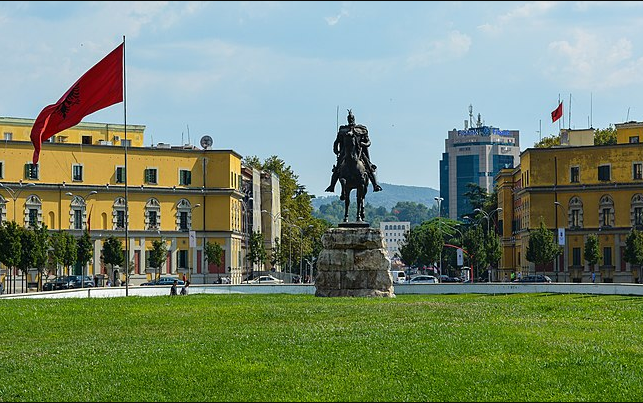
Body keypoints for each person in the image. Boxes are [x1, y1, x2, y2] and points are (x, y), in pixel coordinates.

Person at [325, 109, 382, 195]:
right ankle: (332, 185)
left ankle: (375, 185)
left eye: (352, 118)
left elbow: (369, 142)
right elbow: (336, 142)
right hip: (345, 152)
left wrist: (363, 144)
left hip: (359, 152)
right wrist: (336, 150)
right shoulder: (343, 130)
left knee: (368, 166)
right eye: (349, 118)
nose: (351, 120)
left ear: (354, 119)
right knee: (337, 169)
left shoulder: (361, 129)